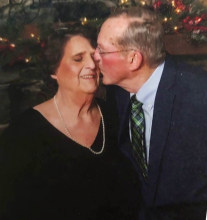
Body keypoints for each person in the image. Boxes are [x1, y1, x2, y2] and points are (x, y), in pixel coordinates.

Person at [94, 7, 207, 219]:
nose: (94, 57)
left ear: (134, 60)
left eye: (102, 50)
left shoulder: (203, 99)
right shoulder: (118, 92)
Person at [0, 31, 141, 219]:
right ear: (54, 70)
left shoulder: (115, 115)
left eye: (94, 56)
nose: (91, 65)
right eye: (78, 59)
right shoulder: (24, 132)